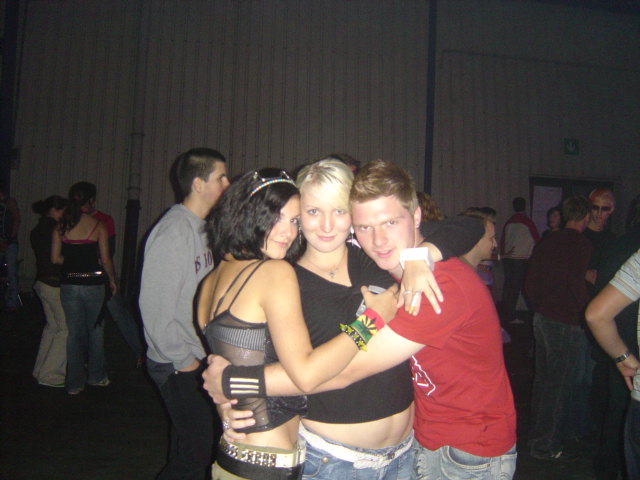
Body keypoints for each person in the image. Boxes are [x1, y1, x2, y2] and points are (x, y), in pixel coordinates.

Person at [206, 160, 516, 480]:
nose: (327, 225)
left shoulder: (381, 260)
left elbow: (468, 226)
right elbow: (240, 339)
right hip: (332, 460)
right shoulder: (285, 278)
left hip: (407, 455)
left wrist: (422, 254)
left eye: (339, 211)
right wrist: (230, 388)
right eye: (313, 211)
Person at [198, 167, 400, 480]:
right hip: (270, 464)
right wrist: (372, 320)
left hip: (233, 457)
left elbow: (226, 362)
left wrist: (225, 393)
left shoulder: (208, 284)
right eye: (274, 217)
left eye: (293, 220)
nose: (287, 232)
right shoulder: (275, 272)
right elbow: (306, 376)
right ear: (245, 214)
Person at [139, 148, 230, 480]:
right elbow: (155, 309)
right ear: (198, 184)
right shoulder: (174, 231)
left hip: (192, 355)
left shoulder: (200, 228)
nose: (227, 184)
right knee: (195, 454)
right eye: (221, 177)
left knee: (189, 448)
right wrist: (185, 362)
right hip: (176, 361)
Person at [524, 195, 593, 461]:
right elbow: (575, 283)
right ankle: (544, 445)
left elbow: (530, 281)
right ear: (585, 217)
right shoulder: (580, 243)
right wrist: (587, 312)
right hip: (565, 320)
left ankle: (537, 437)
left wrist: (539, 306)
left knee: (544, 381)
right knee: (558, 385)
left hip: (543, 317)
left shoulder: (549, 240)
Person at [587, 196, 640, 480]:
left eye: (605, 208)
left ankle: (607, 466)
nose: (599, 214)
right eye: (595, 207)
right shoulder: (615, 244)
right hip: (620, 340)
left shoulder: (617, 243)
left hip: (619, 340)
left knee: (617, 409)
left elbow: (598, 306)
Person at [52, 182, 117, 395]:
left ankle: (74, 383)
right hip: (93, 285)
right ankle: (96, 376)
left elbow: (55, 258)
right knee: (95, 331)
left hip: (69, 285)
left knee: (74, 334)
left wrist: (73, 261)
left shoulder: (61, 226)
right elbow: (106, 260)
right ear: (91, 201)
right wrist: (112, 280)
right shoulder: (99, 226)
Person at [79, 181, 144, 366]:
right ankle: (88, 360)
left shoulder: (103, 220)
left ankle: (140, 351)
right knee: (91, 319)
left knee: (117, 314)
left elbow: (109, 250)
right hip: (89, 276)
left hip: (98, 275)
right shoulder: (78, 219)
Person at [31, 195, 69, 387]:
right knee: (64, 329)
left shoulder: (37, 229)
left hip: (42, 281)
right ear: (55, 211)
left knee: (52, 327)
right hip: (53, 283)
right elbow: (57, 258)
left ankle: (41, 369)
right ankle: (51, 374)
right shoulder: (55, 229)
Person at [500, 196, 540, 325]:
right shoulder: (527, 222)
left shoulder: (509, 222)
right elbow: (537, 240)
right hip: (521, 259)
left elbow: (503, 241)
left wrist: (503, 255)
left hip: (508, 259)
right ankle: (513, 316)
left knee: (509, 287)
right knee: (519, 287)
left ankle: (506, 314)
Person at [0, 185, 21, 311]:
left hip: (10, 243)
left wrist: (8, 240)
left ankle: (12, 301)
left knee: (11, 272)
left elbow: (17, 220)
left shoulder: (10, 202)